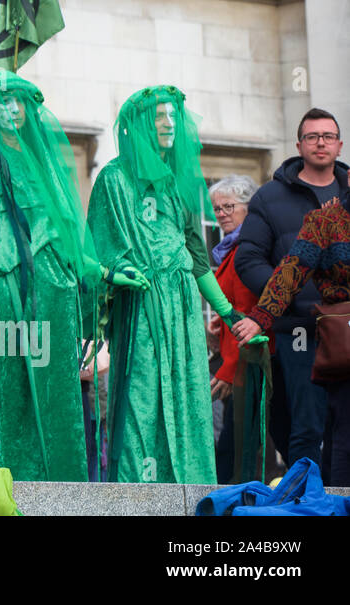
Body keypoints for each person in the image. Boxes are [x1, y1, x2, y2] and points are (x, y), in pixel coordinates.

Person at [0, 71, 144, 481]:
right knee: (12, 392)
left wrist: (109, 272)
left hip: (55, 296)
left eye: (17, 101)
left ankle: (66, 488)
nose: (10, 109)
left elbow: (72, 244)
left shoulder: (49, 173)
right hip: (6, 296)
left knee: (60, 394)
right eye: (1, 102)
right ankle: (14, 485)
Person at [87, 85, 242, 483]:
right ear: (140, 123)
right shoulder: (113, 179)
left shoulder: (179, 182)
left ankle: (190, 491)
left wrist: (229, 314)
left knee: (188, 398)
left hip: (184, 304)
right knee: (142, 400)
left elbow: (196, 259)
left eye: (173, 116)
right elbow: (94, 251)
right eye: (159, 116)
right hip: (141, 306)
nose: (168, 123)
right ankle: (139, 497)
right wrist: (114, 273)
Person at [234, 108, 344, 471]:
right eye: (312, 137)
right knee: (306, 424)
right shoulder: (273, 198)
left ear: (339, 145)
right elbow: (261, 264)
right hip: (300, 327)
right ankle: (308, 501)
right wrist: (274, 308)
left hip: (347, 326)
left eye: (327, 136)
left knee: (346, 426)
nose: (320, 143)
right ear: (299, 145)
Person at [207, 174, 273, 483]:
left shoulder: (248, 250)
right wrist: (222, 319)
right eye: (217, 209)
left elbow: (249, 314)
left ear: (249, 207)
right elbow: (235, 307)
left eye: (229, 206)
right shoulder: (230, 250)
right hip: (239, 359)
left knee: (238, 447)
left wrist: (231, 369)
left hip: (248, 361)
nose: (221, 214)